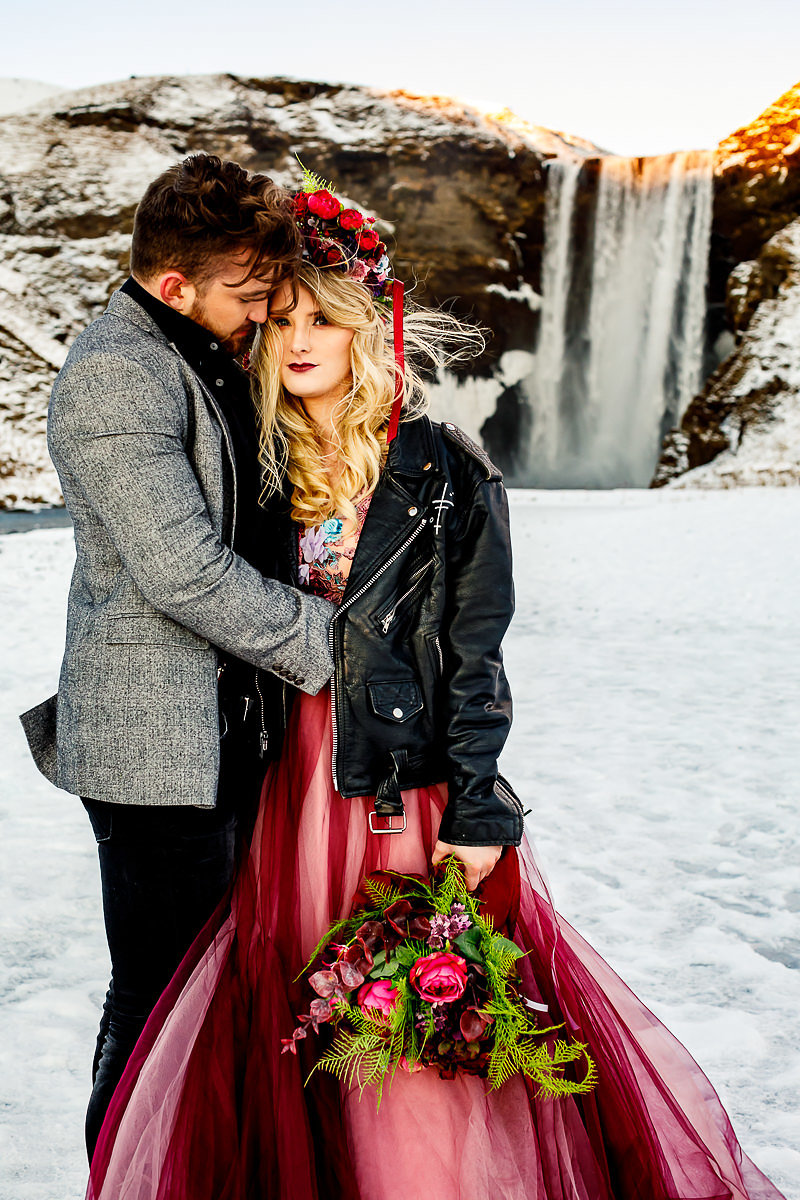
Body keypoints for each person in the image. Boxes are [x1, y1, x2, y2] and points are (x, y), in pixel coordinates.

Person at [84, 176, 786, 1200]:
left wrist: (476, 800)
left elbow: (475, 651)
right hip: (282, 787)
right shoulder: (254, 466)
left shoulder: (444, 467)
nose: (300, 339)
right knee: (290, 1013)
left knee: (410, 1014)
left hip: (395, 787)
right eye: (279, 321)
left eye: (324, 318)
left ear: (366, 329)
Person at [18, 155, 336, 1161]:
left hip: (227, 727)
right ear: (173, 285)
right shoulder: (117, 370)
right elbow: (183, 572)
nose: (263, 316)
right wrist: (335, 648)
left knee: (221, 990)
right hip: (153, 750)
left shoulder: (203, 346)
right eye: (250, 297)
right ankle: (126, 1170)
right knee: (159, 993)